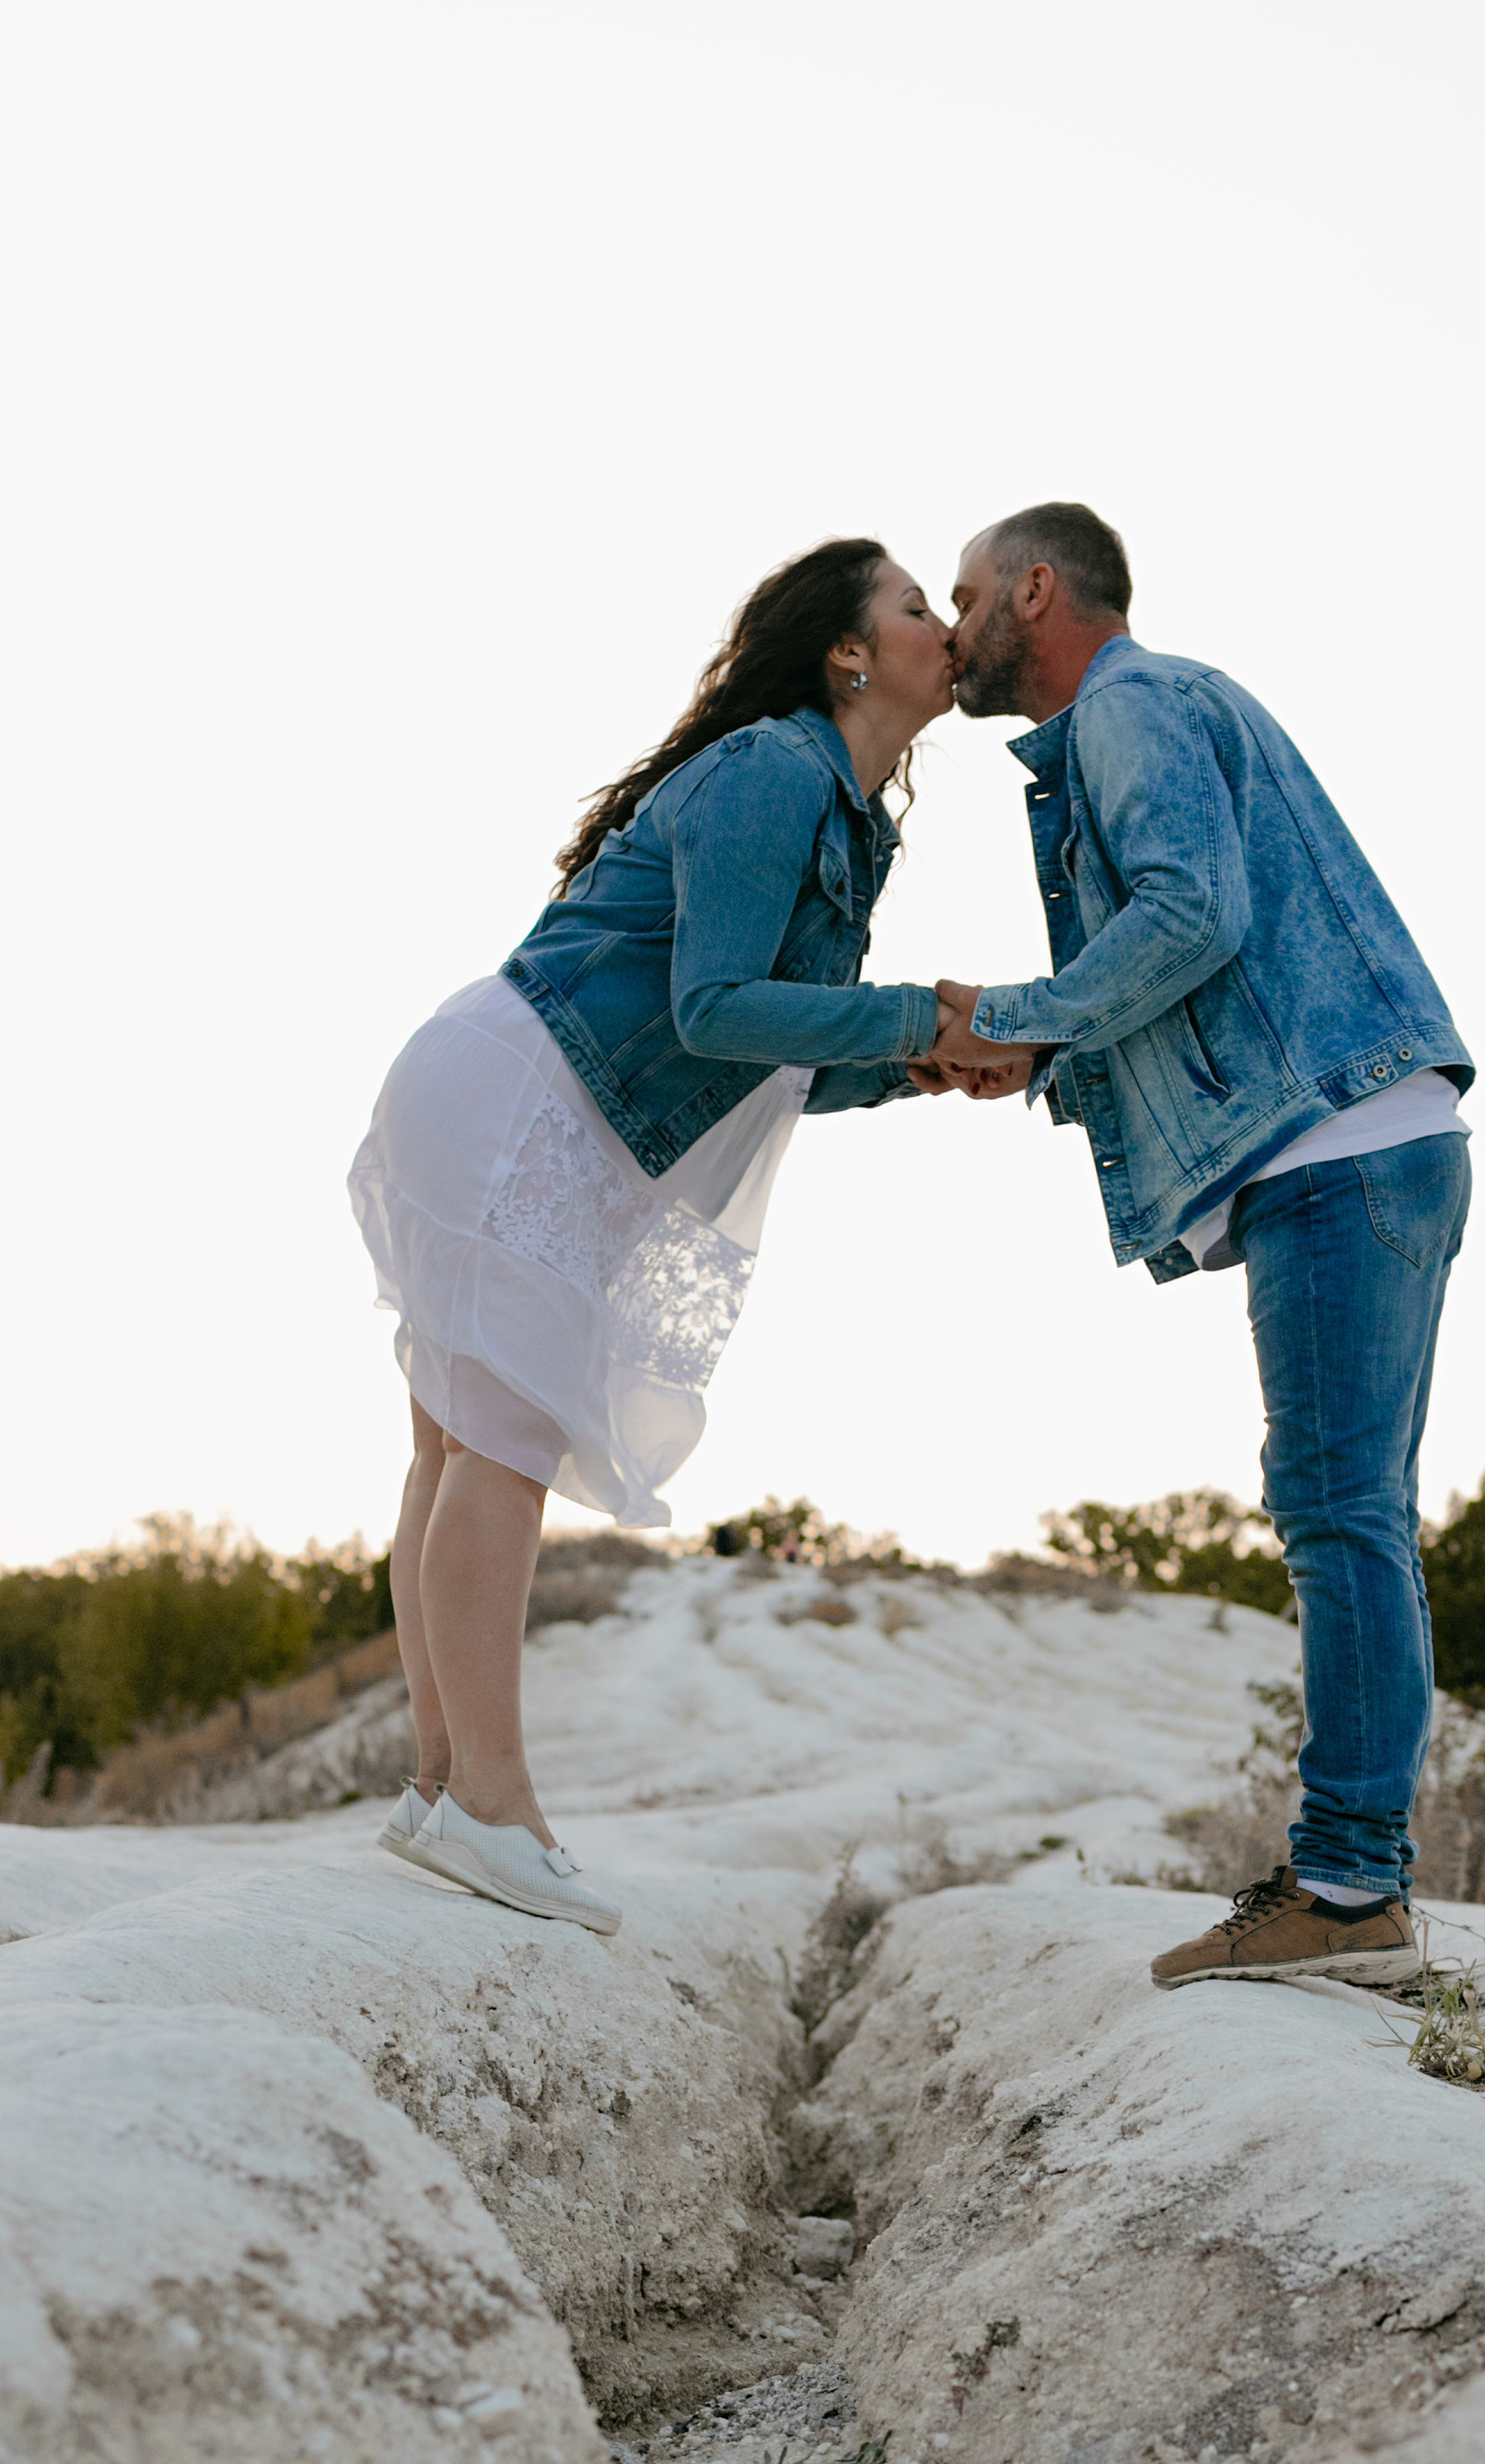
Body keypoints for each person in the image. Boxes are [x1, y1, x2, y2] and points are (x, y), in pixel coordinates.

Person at [348, 538, 1017, 1936]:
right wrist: (915, 1015)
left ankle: (435, 1790)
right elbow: (718, 1005)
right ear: (849, 651)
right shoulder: (778, 769)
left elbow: (765, 1054)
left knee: (457, 1438)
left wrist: (918, 1065)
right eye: (913, 607)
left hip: (539, 1094)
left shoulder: (845, 815)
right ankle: (490, 1804)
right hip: (526, 1086)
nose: (940, 628)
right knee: (504, 1437)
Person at [934, 503, 1472, 1991]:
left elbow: (1192, 915)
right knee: (1354, 1507)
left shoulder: (1130, 708)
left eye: (967, 594)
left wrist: (1026, 1016)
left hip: (1337, 1147)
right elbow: (1183, 960)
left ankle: (1351, 1895)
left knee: (1335, 1508)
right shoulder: (1158, 709)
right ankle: (1355, 1881)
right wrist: (1032, 1054)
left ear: (1035, 592)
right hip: (1374, 1133)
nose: (954, 621)